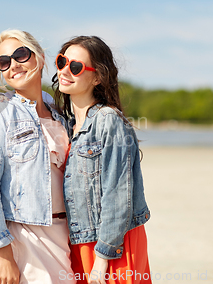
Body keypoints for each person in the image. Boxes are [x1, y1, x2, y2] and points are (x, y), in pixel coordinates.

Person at [0, 29, 75, 284]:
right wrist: (3, 251)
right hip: (26, 235)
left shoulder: (60, 114)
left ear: (40, 58)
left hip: (68, 234)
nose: (13, 65)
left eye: (20, 55)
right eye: (4, 62)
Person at [53, 36, 151, 284]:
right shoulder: (69, 125)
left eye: (76, 67)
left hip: (110, 244)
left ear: (97, 77)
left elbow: (118, 193)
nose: (65, 70)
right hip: (81, 239)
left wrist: (103, 256)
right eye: (62, 61)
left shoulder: (107, 119)